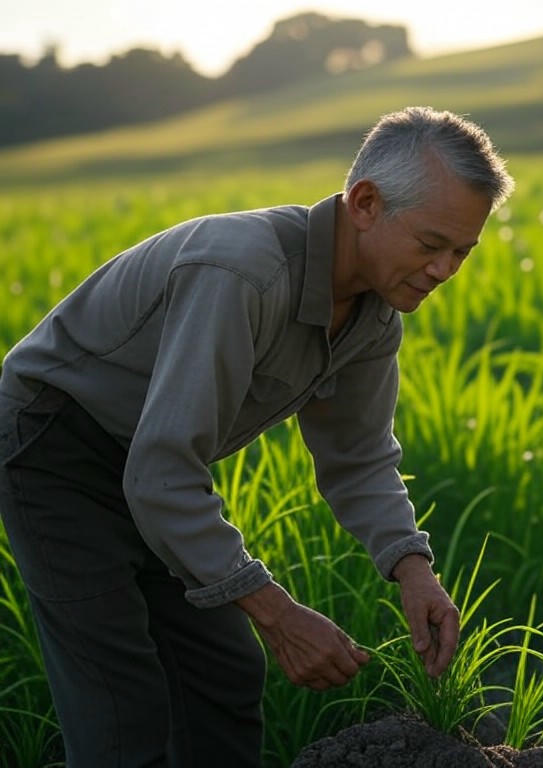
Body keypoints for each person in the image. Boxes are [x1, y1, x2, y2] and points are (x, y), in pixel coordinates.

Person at [0, 106, 515, 767]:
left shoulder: (374, 318)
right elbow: (163, 474)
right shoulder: (243, 273)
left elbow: (357, 460)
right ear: (364, 204)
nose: (445, 269)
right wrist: (277, 611)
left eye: (462, 252)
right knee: (120, 705)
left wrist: (413, 571)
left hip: (148, 459)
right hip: (54, 444)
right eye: (430, 244)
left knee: (222, 671)